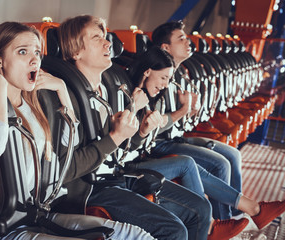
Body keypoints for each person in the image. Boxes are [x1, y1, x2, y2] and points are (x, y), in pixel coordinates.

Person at [0, 21, 156, 240]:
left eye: (37, 52)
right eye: (23, 52)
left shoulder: (32, 102)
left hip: (37, 215)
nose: (34, 59)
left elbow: (59, 161)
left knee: (137, 236)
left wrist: (62, 92)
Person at [57, 14, 216, 240]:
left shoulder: (108, 89)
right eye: (96, 38)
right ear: (75, 51)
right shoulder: (67, 98)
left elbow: (122, 148)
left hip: (118, 176)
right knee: (175, 229)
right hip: (92, 190)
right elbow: (66, 169)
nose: (107, 43)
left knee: (201, 209)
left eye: (105, 37)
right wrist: (115, 137)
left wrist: (140, 132)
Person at [127, 45, 285, 238]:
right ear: (148, 70)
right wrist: (143, 116)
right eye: (163, 78)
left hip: (149, 148)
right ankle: (224, 221)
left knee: (225, 158)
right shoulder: (129, 93)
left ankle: (230, 219)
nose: (166, 84)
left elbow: (161, 122)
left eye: (168, 79)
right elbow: (132, 142)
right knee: (196, 164)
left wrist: (189, 110)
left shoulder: (160, 89)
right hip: (133, 165)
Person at [150, 20, 243, 220]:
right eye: (181, 39)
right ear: (165, 47)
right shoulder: (155, 74)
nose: (188, 42)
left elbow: (180, 120)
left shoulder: (181, 74)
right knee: (221, 165)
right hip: (159, 144)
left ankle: (235, 217)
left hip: (177, 137)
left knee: (233, 155)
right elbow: (154, 126)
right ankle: (221, 222)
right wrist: (184, 110)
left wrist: (193, 110)